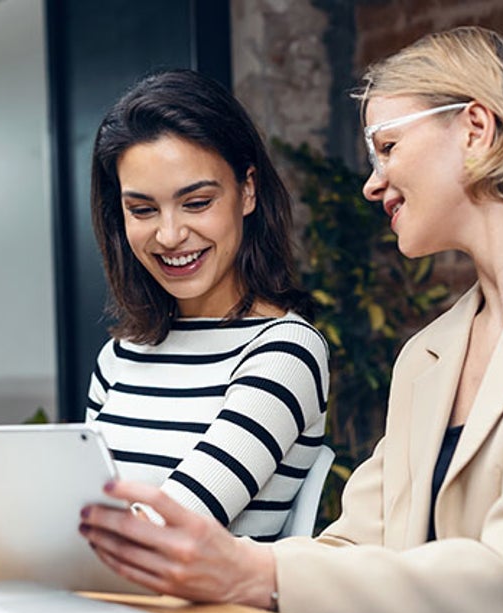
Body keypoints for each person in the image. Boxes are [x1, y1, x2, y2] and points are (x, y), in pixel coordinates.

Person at [80, 26, 503, 613]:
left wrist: (250, 570)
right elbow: (352, 543)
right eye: (142, 209)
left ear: (476, 129)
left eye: (388, 146)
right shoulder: (430, 354)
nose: (371, 183)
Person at [85, 69, 329, 542]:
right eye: (142, 210)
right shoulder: (119, 357)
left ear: (248, 191)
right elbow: (85, 512)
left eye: (196, 202)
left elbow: (172, 531)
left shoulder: (285, 352)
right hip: (103, 604)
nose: (170, 235)